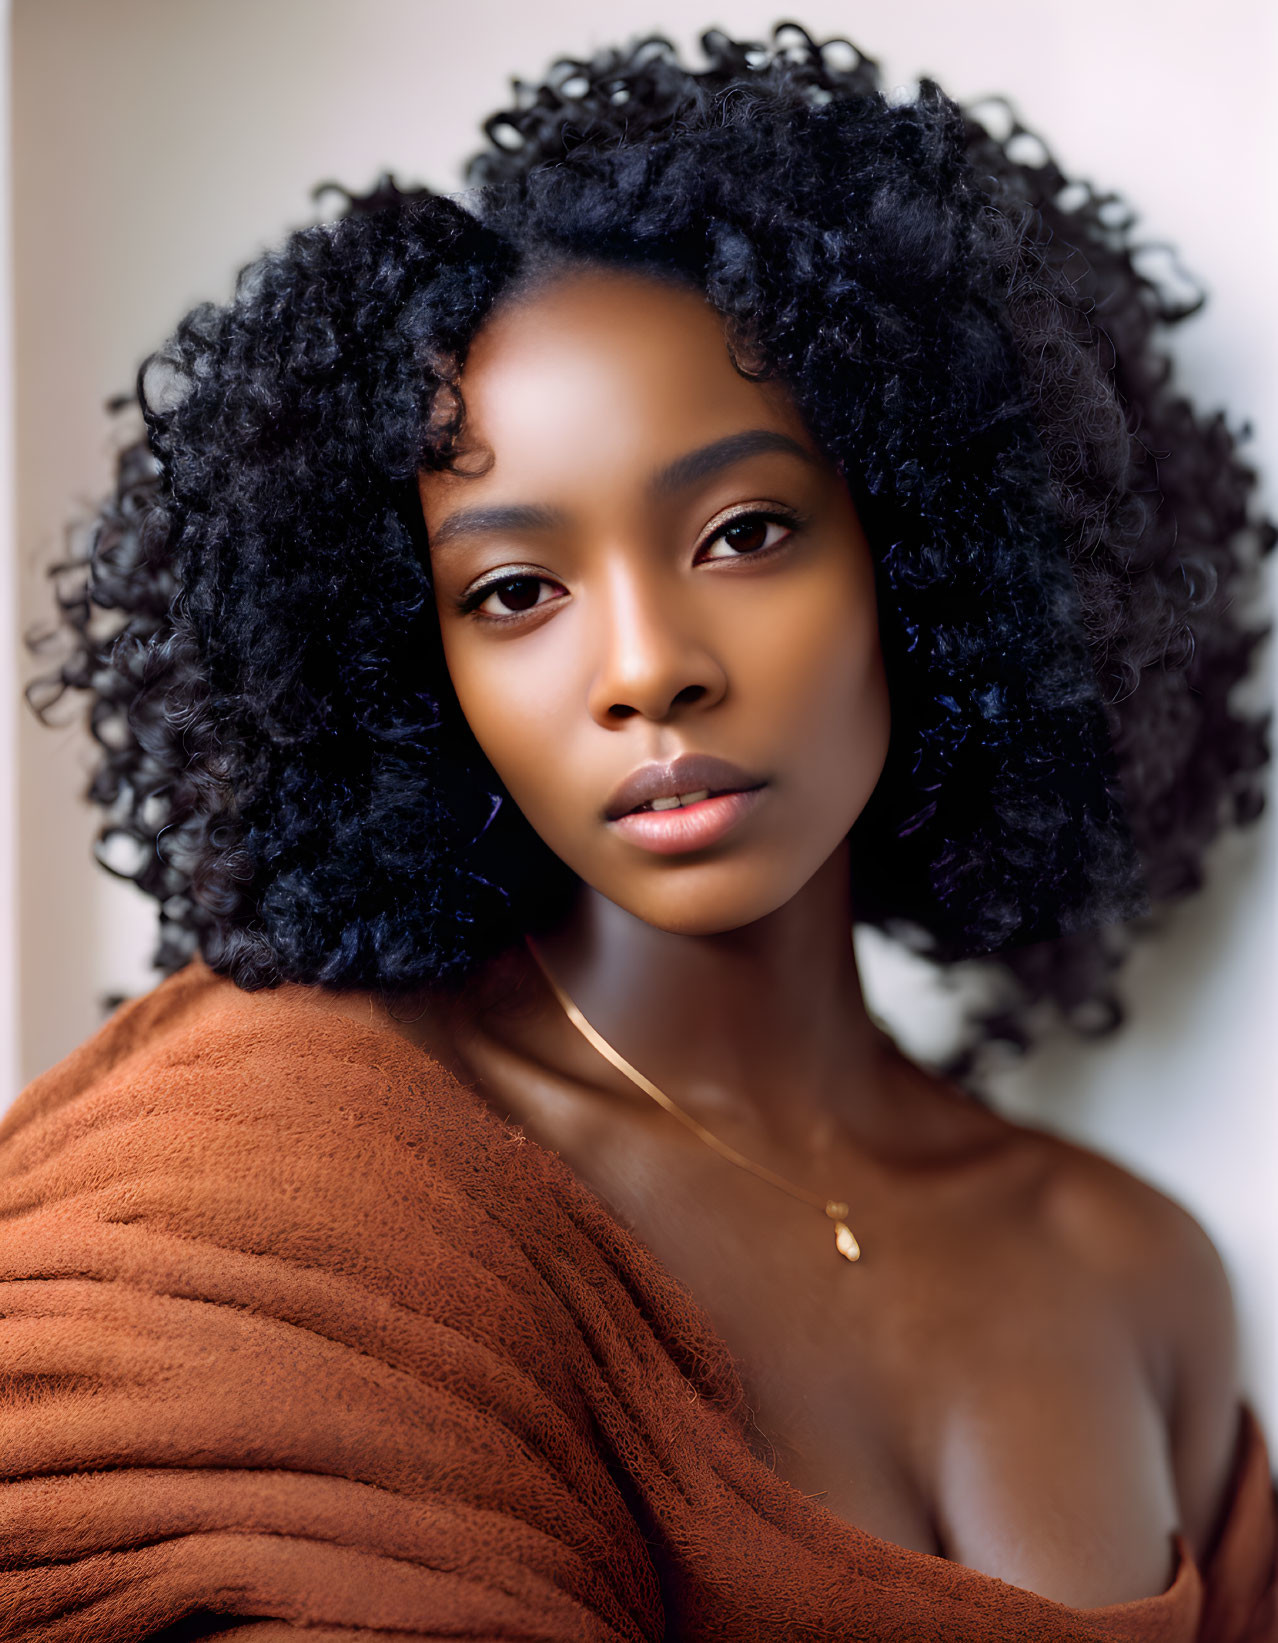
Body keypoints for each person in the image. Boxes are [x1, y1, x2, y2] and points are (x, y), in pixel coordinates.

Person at [2, 23, 1274, 1641]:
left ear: (930, 545)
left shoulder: (1132, 1272)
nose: (644, 666)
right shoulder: (278, 1198)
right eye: (513, 591)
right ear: (409, 655)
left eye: (745, 532)